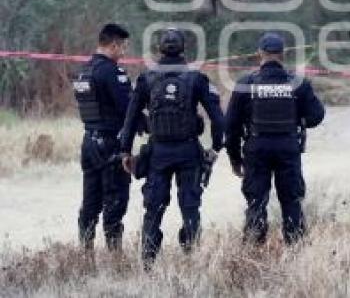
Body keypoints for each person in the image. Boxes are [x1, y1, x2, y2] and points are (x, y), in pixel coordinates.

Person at [119, 28, 224, 267]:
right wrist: (216, 148)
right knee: (190, 207)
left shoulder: (146, 78)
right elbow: (219, 119)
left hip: (158, 153)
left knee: (153, 208)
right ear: (184, 49)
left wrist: (125, 150)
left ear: (159, 49)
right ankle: (192, 257)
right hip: (188, 152)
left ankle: (148, 263)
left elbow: (131, 116)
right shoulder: (197, 78)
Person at [225, 33, 325, 245]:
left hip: (256, 147)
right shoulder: (298, 83)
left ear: (260, 54)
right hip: (288, 147)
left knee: (256, 202)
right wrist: (297, 118)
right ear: (282, 55)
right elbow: (317, 116)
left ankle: (254, 252)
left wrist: (234, 159)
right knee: (291, 202)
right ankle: (296, 252)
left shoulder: (246, 83)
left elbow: (231, 125)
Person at [73, 23, 133, 252]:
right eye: (123, 48)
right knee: (115, 200)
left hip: (89, 142)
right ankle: (115, 256)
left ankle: (85, 254)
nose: (124, 53)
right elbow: (128, 109)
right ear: (114, 45)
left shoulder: (84, 70)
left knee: (90, 202)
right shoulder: (111, 72)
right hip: (109, 145)